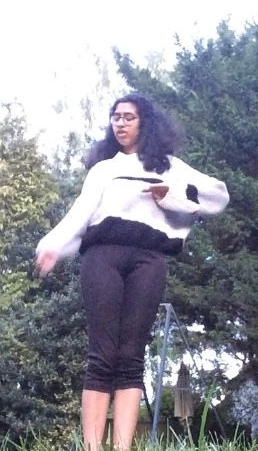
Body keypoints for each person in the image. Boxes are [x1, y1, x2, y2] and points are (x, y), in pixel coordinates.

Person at [34, 93, 229, 450]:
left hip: (149, 260)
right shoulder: (104, 169)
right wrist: (53, 246)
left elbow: (217, 197)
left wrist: (169, 196)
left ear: (145, 123)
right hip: (102, 258)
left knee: (131, 357)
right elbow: (79, 215)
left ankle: (123, 447)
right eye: (116, 117)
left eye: (128, 117)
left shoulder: (169, 167)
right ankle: (92, 447)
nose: (120, 123)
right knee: (102, 354)